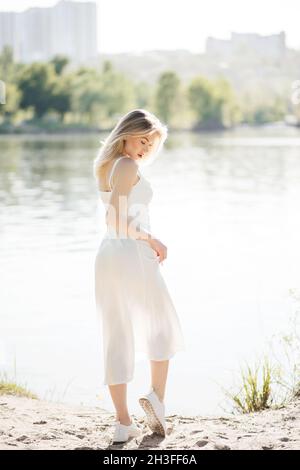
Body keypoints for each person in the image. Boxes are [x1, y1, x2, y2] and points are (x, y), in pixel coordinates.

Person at [93, 109, 185, 443]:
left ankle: (122, 423)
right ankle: (157, 398)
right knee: (162, 324)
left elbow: (112, 220)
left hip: (107, 256)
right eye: (143, 139)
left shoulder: (108, 165)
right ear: (126, 133)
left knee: (116, 333)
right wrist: (150, 238)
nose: (146, 148)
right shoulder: (127, 165)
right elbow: (115, 220)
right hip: (131, 252)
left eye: (152, 143)